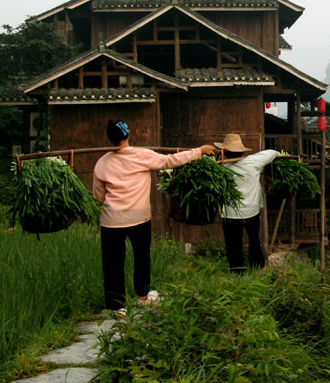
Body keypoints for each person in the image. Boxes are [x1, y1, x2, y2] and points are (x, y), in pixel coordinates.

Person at [92, 120, 215, 315]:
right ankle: (142, 297)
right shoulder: (142, 155)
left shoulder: (102, 163)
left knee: (112, 262)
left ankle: (116, 306)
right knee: (142, 257)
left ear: (110, 139)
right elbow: (170, 161)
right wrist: (198, 151)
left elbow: (98, 196)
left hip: (111, 220)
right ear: (128, 135)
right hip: (138, 219)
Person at [217, 133, 277, 272]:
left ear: (225, 152)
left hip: (231, 213)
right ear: (242, 150)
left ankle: (237, 270)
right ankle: (257, 266)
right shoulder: (254, 162)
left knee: (233, 243)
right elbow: (272, 153)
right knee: (254, 239)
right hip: (251, 210)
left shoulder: (222, 168)